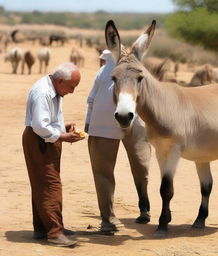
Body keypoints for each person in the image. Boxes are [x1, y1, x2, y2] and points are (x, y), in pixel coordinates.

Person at [84, 50, 151, 233]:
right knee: (105, 172)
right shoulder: (106, 71)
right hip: (106, 124)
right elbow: (92, 98)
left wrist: (89, 123)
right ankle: (108, 218)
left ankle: (143, 205)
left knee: (140, 166)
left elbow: (91, 99)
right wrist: (89, 122)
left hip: (126, 122)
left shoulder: (130, 70)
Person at [22, 62, 84, 247]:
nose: (72, 91)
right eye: (71, 87)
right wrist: (63, 136)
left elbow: (47, 121)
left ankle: (42, 228)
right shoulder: (43, 92)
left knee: (42, 184)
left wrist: (62, 128)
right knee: (50, 185)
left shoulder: (54, 90)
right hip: (39, 141)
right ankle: (55, 233)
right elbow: (40, 126)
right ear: (59, 80)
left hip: (45, 139)